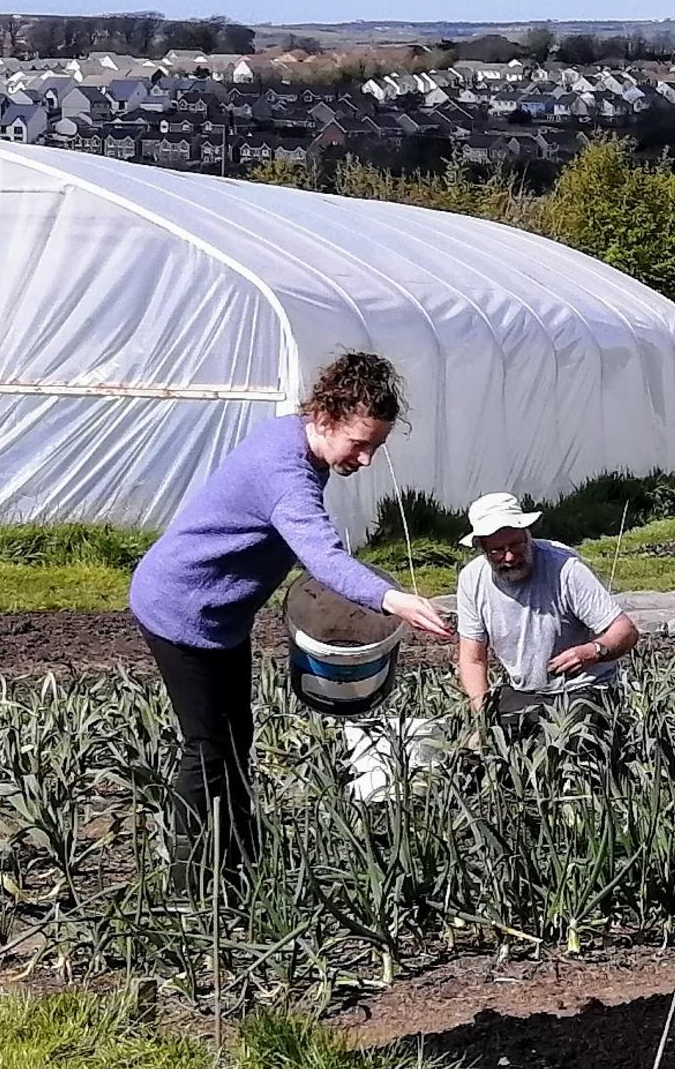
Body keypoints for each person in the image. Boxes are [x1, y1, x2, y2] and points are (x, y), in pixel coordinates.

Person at [128, 352, 455, 842]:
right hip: (181, 608)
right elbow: (322, 558)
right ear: (325, 417)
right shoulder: (286, 474)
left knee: (234, 737)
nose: (365, 460)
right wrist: (393, 599)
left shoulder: (294, 435)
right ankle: (195, 880)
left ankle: (236, 851)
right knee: (208, 747)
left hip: (220, 615)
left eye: (376, 448)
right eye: (360, 444)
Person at [450, 490, 639, 737]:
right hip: (526, 693)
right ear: (481, 548)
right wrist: (483, 716)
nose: (509, 557)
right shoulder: (472, 580)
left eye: (517, 544)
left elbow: (625, 631)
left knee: (567, 749)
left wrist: (593, 651)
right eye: (497, 550)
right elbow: (473, 659)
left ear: (528, 534)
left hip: (583, 689)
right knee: (481, 757)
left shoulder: (565, 569)